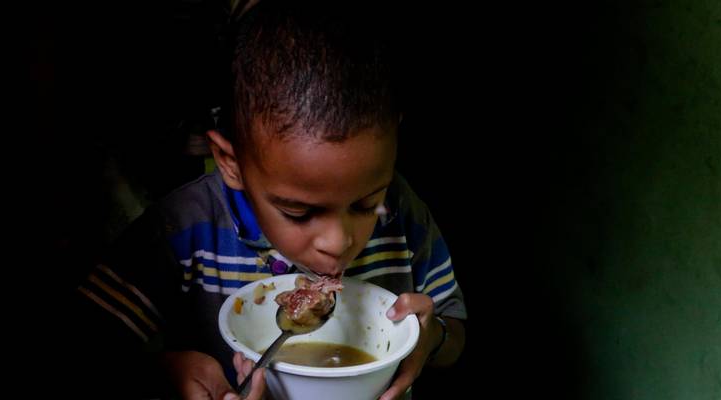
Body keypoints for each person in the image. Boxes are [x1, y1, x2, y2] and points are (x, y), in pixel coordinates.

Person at [77, 1, 465, 398]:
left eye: (366, 205)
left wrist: (432, 338)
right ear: (230, 163)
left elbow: (453, 327)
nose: (338, 241)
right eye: (297, 212)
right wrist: (165, 370)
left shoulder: (403, 213)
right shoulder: (183, 229)